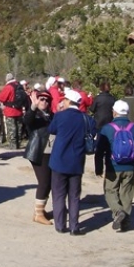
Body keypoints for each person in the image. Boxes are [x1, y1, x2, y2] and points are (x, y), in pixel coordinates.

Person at [94, 100, 134, 232]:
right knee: (127, 194)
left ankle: (118, 211)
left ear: (114, 112)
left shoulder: (108, 128)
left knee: (110, 191)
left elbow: (99, 150)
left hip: (113, 166)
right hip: (130, 166)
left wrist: (98, 168)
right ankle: (125, 223)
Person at [48, 89, 96, 235]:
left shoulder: (60, 116)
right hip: (76, 161)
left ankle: (60, 224)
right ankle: (74, 226)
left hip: (59, 160)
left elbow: (51, 129)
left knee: (58, 194)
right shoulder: (87, 119)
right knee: (74, 196)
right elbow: (92, 133)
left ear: (68, 101)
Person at [23, 91, 54, 225]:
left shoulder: (50, 115)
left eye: (47, 100)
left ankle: (39, 210)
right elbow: (27, 121)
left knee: (50, 182)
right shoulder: (34, 114)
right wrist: (33, 107)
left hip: (49, 152)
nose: (44, 102)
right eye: (42, 99)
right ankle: (39, 214)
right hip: (37, 151)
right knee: (44, 181)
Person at [0, 73, 27, 149]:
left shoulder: (8, 87)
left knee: (12, 130)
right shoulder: (19, 85)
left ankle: (13, 147)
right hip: (19, 110)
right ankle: (18, 145)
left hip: (10, 111)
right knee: (19, 129)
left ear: (7, 79)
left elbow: (1, 98)